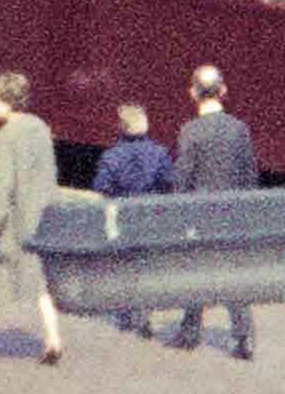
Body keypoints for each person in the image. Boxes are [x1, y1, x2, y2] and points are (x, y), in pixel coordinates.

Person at [171, 65, 259, 360]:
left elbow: (182, 179)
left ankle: (189, 332)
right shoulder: (238, 129)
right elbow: (250, 175)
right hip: (233, 214)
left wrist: (176, 215)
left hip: (199, 213)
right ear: (223, 91)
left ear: (193, 93)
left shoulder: (189, 131)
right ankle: (243, 336)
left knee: (196, 272)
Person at [0, 70, 64, 365]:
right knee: (40, 281)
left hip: (14, 222)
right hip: (41, 217)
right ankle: (52, 338)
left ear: (5, 101)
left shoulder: (6, 137)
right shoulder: (40, 128)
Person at [92, 103, 175, 339]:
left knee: (124, 263)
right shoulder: (159, 152)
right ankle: (144, 312)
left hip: (123, 214)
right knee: (145, 263)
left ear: (121, 127)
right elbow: (168, 181)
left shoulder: (112, 155)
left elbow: (102, 186)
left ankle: (127, 314)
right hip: (150, 215)